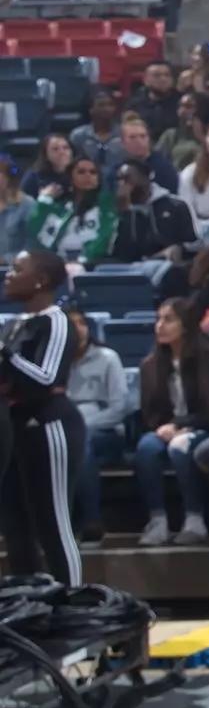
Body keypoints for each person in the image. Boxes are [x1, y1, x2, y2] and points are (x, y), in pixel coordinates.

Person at [0, 251, 85, 585]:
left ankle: (75, 609)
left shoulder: (56, 320)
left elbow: (45, 378)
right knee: (15, 527)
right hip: (13, 426)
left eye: (18, 269)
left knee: (53, 524)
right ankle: (31, 609)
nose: (8, 274)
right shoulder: (14, 324)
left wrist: (5, 354)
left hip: (50, 425)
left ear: (41, 280)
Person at [132, 298, 209, 546]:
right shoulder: (151, 365)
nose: (160, 326)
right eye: (158, 319)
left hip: (207, 427)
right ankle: (157, 520)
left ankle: (194, 518)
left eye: (168, 320)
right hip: (166, 429)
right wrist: (165, 428)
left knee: (180, 448)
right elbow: (148, 412)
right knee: (146, 448)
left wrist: (181, 424)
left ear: (186, 324)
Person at [65, 306, 130, 545]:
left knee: (81, 443)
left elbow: (119, 408)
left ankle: (91, 519)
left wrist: (83, 426)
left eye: (82, 323)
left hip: (106, 433)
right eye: (72, 324)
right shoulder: (54, 363)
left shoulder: (107, 358)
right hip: (66, 432)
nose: (79, 329)